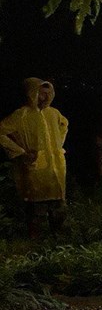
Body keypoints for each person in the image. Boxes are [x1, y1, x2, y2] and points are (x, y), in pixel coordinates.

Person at [0, 78, 68, 237]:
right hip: (35, 170)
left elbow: (64, 125)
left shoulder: (54, 113)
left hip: (55, 169)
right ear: (32, 94)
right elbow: (1, 132)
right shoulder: (21, 115)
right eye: (40, 94)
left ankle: (57, 242)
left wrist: (58, 146)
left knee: (58, 207)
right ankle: (35, 244)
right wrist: (21, 152)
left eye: (47, 93)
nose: (44, 97)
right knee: (36, 210)